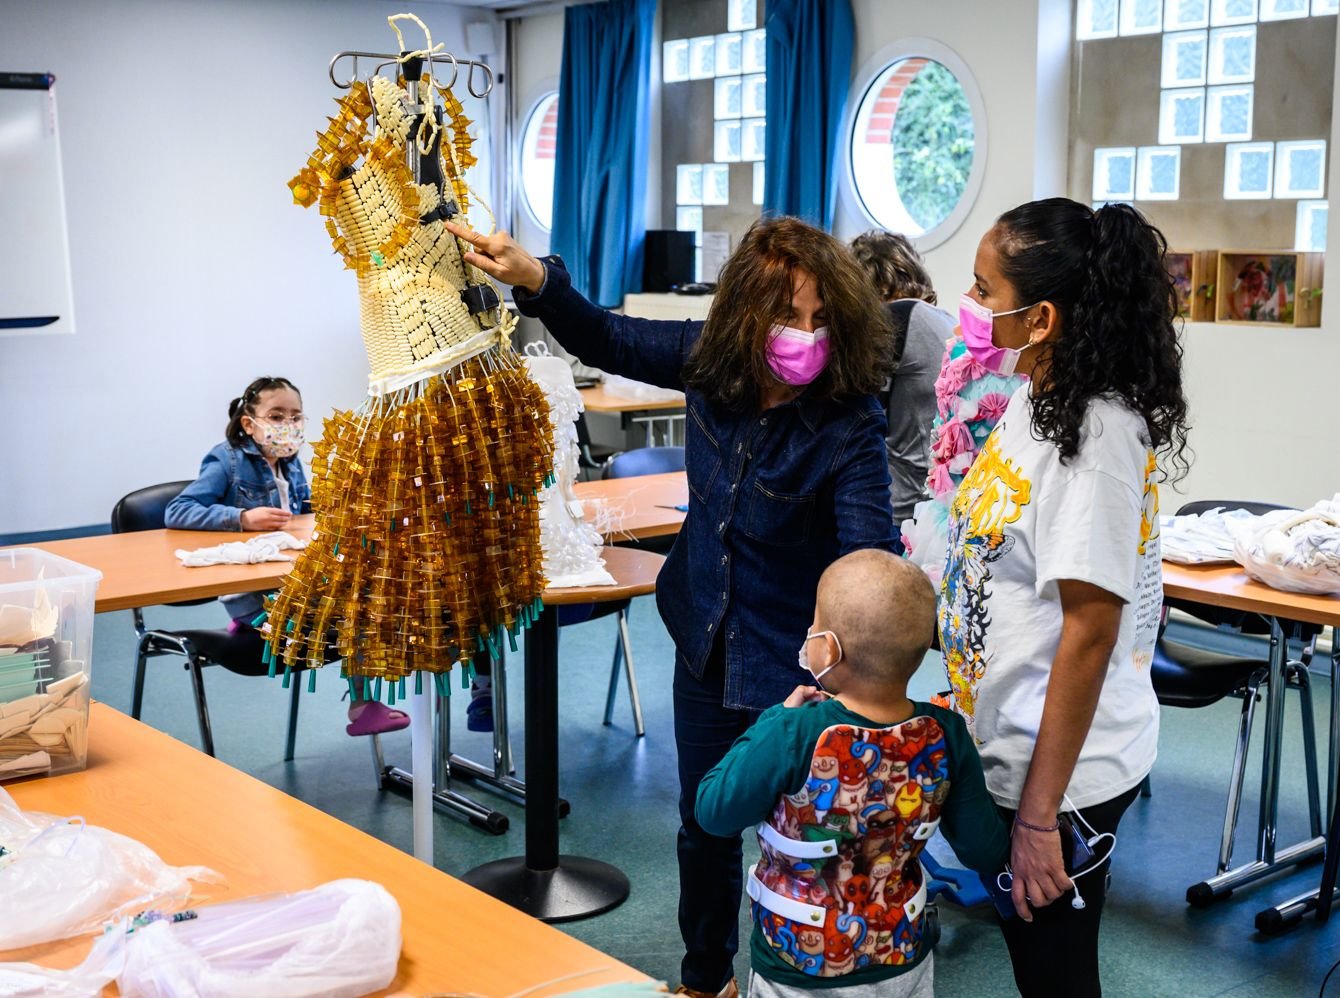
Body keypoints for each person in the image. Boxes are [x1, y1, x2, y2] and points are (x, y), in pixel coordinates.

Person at [450, 216, 903, 998]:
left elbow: (863, 553)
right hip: (704, 635)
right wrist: (535, 279)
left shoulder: (848, 415)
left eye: (822, 319)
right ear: (745, 318)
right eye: (786, 316)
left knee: (804, 837)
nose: (805, 336)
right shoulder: (713, 361)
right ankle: (704, 981)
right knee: (703, 826)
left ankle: (797, 981)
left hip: (794, 660)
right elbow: (609, 337)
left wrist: (841, 668)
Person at [936, 199, 1189, 997]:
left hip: (1062, 781)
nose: (970, 307)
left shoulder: (1098, 437)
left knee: (1056, 980)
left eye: (983, 290)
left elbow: (1089, 632)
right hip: (1007, 740)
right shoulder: (1035, 396)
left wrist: (1041, 820)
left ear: (1040, 316)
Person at [696, 549, 1009, 998]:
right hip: (902, 956)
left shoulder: (792, 732)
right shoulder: (946, 733)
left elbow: (713, 810)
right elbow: (984, 849)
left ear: (827, 647)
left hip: (796, 965)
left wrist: (772, 720)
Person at [165, 376, 410, 737]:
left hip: (291, 583)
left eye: (296, 417)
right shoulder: (227, 460)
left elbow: (305, 511)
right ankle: (362, 705)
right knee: (353, 611)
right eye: (277, 416)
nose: (289, 426)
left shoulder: (290, 461)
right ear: (249, 423)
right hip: (254, 596)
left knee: (366, 596)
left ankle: (369, 703)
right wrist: (242, 518)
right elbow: (178, 510)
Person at [847, 231, 949, 527]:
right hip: (932, 505)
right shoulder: (942, 318)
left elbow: (852, 413)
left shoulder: (899, 317)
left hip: (900, 510)